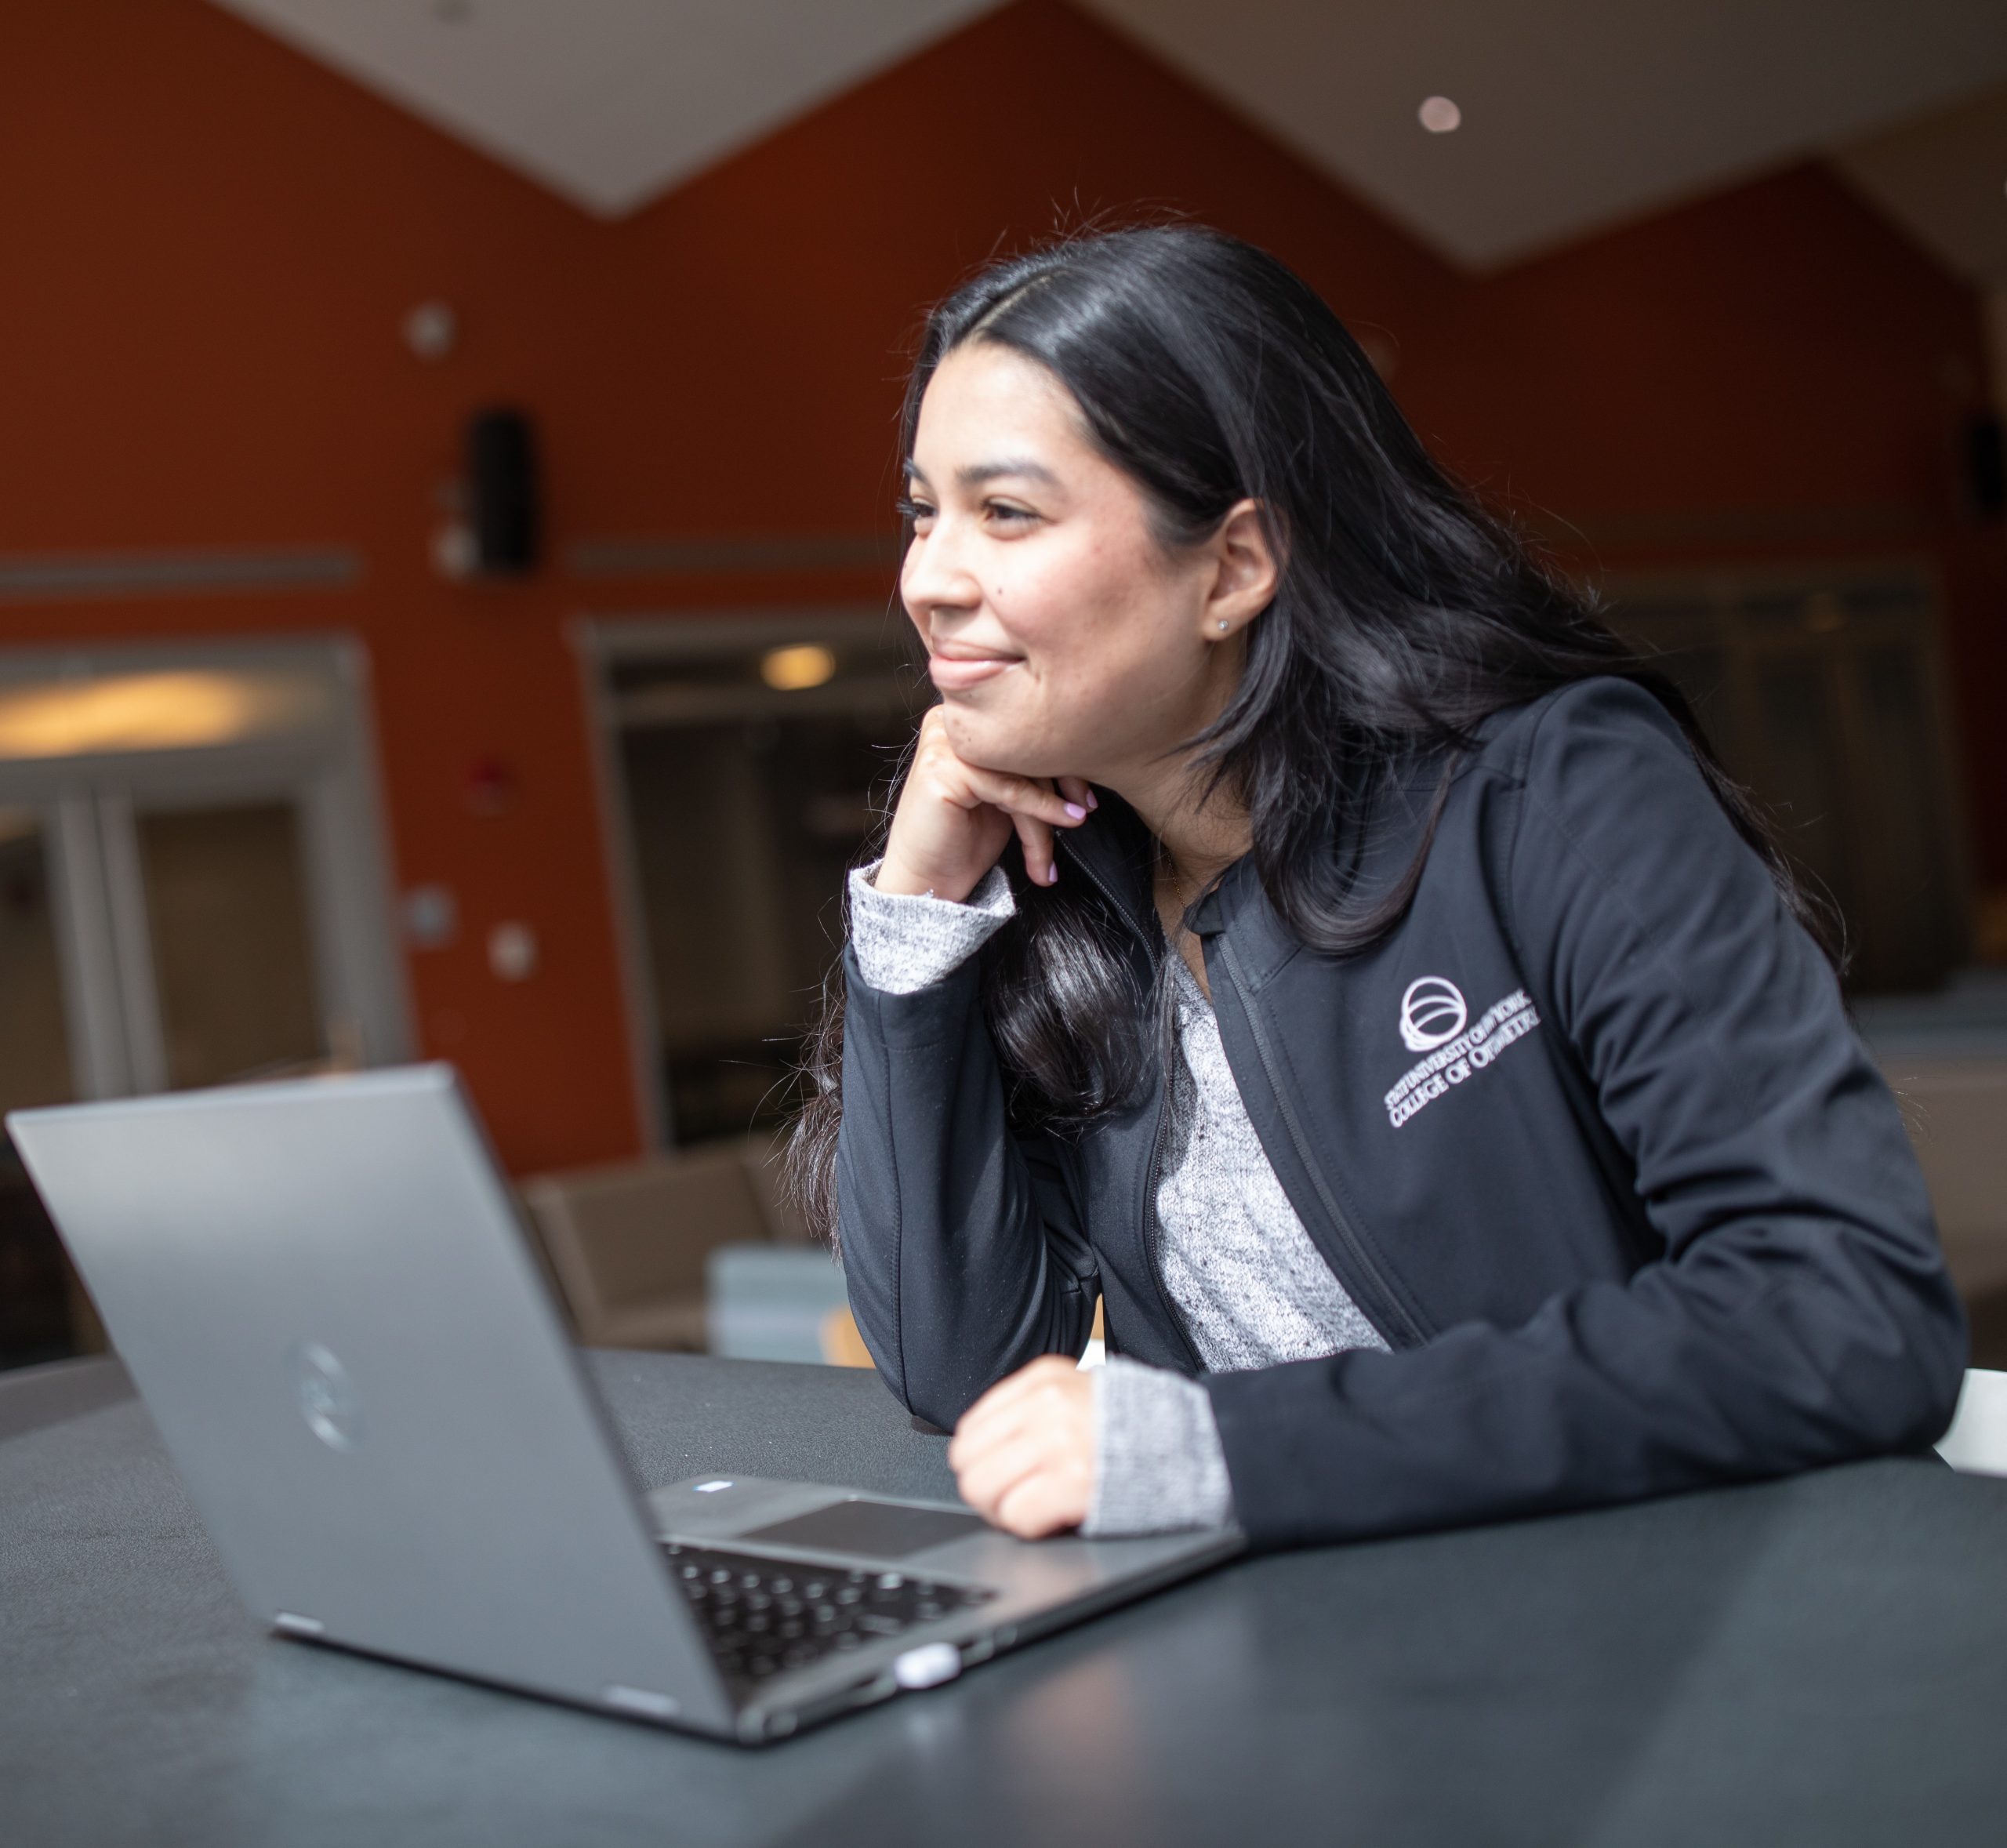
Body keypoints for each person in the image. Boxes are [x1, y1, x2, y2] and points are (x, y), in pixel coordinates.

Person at [786, 223, 1966, 1549]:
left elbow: (1844, 1312)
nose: (928, 580)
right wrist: (915, 917)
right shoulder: (1068, 906)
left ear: (1234, 566)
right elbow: (968, 1376)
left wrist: (1235, 1449)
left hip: (1674, 1631)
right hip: (1329, 1678)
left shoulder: (1552, 789)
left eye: (1005, 512)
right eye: (922, 512)